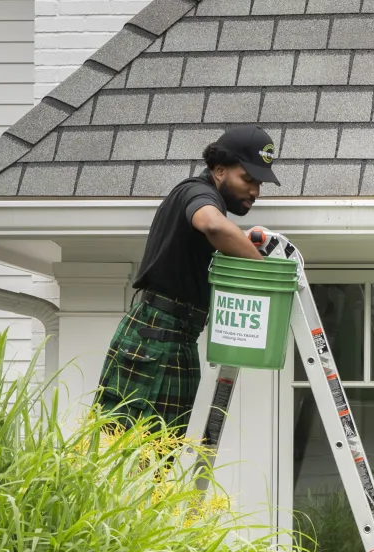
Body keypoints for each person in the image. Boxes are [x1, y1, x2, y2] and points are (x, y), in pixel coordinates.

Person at [95, 125, 279, 434]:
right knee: (124, 452)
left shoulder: (207, 197)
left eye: (260, 183)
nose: (255, 192)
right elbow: (214, 226)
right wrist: (262, 271)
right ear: (219, 169)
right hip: (155, 336)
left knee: (162, 457)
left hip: (177, 337)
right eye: (248, 179)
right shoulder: (197, 191)